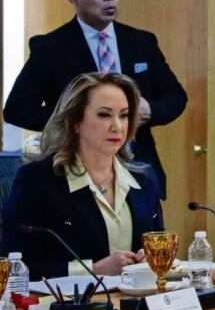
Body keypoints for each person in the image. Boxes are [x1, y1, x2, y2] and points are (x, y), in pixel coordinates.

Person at [3, 0, 188, 199]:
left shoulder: (141, 42)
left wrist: (150, 111)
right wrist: (76, 120)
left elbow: (176, 97)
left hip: (137, 169)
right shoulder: (50, 48)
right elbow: (16, 109)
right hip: (73, 171)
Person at [2, 73, 163, 280]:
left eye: (124, 115)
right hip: (70, 308)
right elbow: (14, 266)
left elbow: (158, 242)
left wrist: (148, 259)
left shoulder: (143, 178)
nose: (118, 126)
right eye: (104, 115)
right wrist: (93, 269)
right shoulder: (38, 180)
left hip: (137, 304)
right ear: (75, 121)